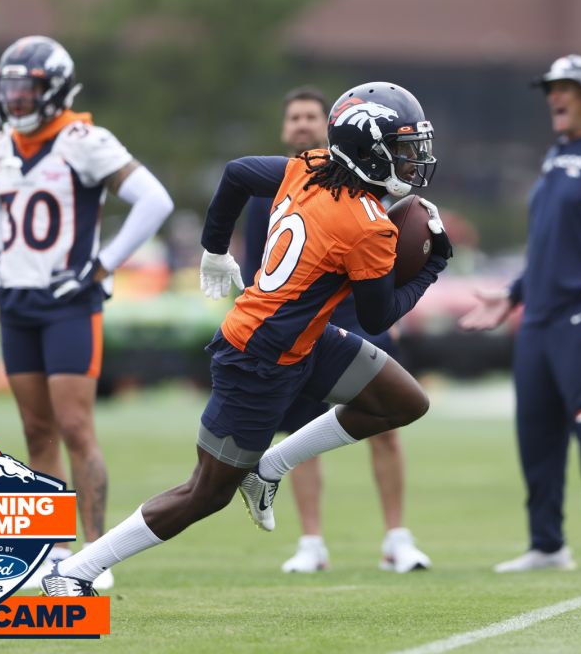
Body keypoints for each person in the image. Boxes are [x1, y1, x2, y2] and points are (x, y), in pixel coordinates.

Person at [41, 81, 451, 596]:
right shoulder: (367, 226)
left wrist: (214, 249)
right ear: (367, 150)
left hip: (301, 335)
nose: (412, 161)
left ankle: (270, 468)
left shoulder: (310, 166)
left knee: (404, 401)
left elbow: (236, 173)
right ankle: (74, 570)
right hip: (255, 358)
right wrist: (431, 265)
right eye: (401, 149)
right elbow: (378, 315)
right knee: (204, 493)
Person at [0, 35, 174, 590]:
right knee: (36, 429)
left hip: (68, 303)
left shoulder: (83, 141)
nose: (15, 98)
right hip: (17, 302)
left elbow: (154, 199)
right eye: (9, 87)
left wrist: (103, 265)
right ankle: (53, 548)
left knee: (75, 426)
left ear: (55, 88)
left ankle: (95, 553)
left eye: (26, 87)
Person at [460, 55, 581, 573]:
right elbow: (551, 245)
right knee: (535, 432)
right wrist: (514, 293)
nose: (554, 97)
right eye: (550, 88)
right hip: (539, 319)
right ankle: (547, 545)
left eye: (564, 87)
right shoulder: (557, 154)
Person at [242, 86, 430, 573]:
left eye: (311, 116)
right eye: (295, 117)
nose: (302, 124)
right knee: (300, 429)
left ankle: (396, 536)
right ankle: (311, 541)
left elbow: (386, 250)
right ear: (286, 128)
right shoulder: (278, 181)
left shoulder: (372, 179)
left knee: (388, 420)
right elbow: (256, 271)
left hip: (354, 314)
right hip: (303, 323)